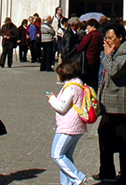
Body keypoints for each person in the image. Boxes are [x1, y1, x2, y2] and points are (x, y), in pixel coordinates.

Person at [97, 21, 126, 185]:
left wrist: (107, 55)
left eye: (111, 38)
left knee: (124, 137)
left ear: (120, 37)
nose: (107, 41)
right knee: (105, 132)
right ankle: (107, 171)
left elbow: (114, 71)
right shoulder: (117, 50)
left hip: (121, 102)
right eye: (106, 38)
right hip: (110, 101)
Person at [46, 57, 89, 185]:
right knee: (66, 157)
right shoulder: (79, 84)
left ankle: (78, 178)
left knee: (57, 154)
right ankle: (67, 183)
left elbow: (61, 107)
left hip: (68, 126)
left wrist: (52, 99)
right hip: (78, 126)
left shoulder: (70, 87)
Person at [74, 19, 103, 89]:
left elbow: (80, 47)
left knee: (87, 80)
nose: (87, 28)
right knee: (94, 79)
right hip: (96, 59)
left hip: (88, 60)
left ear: (93, 26)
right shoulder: (100, 35)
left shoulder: (90, 35)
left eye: (88, 26)